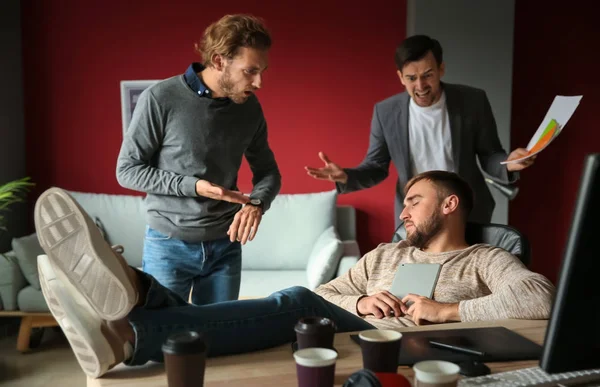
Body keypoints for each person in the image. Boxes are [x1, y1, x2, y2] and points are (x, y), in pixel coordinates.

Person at [33, 171, 553, 378]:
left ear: (451, 204)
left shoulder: (482, 258)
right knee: (299, 301)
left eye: (414, 201)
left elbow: (540, 298)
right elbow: (325, 294)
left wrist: (445, 310)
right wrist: (361, 302)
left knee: (294, 303)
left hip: (410, 350)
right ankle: (129, 312)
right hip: (355, 325)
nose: (403, 212)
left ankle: (133, 302)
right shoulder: (385, 256)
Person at [115, 14, 281, 305]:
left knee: (219, 340)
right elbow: (127, 170)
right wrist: (194, 186)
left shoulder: (249, 108)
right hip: (168, 244)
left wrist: (257, 203)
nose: (259, 82)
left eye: (262, 71)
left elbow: (268, 172)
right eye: (250, 71)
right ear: (219, 62)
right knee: (163, 338)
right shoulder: (160, 98)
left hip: (226, 245)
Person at [305, 35, 536, 229]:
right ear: (400, 77)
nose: (421, 86)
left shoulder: (473, 101)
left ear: (441, 69)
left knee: (466, 280)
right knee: (416, 281)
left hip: (467, 211)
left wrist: (508, 163)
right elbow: (376, 167)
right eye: (411, 78)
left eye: (428, 75)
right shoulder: (385, 112)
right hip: (415, 214)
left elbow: (489, 154)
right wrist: (346, 176)